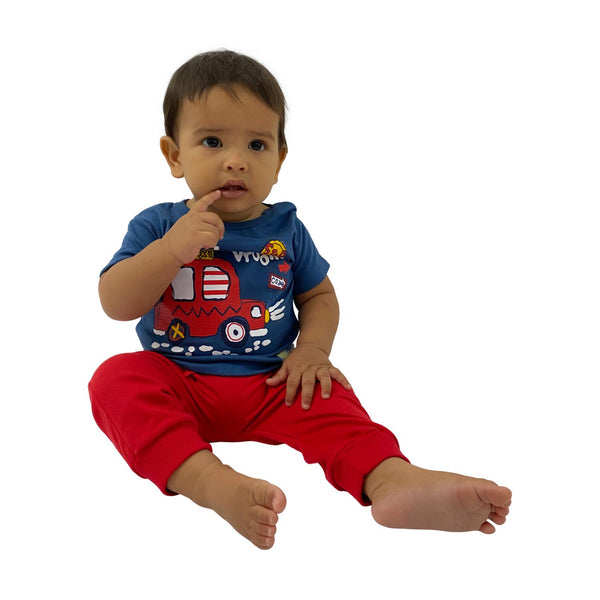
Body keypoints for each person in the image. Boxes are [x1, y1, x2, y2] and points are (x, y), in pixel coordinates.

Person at [89, 50, 511, 549]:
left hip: (273, 383)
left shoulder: (286, 228)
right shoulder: (158, 224)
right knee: (115, 379)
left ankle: (391, 479)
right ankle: (210, 482)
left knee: (330, 395)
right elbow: (116, 302)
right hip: (180, 382)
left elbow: (320, 296)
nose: (236, 159)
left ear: (279, 160)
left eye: (257, 144)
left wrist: (312, 351)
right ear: (174, 155)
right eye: (212, 141)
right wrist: (170, 251)